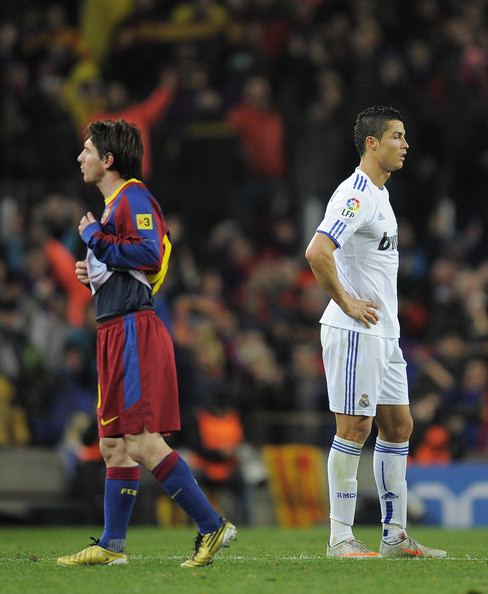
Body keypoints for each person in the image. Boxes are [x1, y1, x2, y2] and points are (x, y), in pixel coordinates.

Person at [56, 118, 236, 568]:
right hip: (113, 330)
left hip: (133, 330)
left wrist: (92, 237)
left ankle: (212, 526)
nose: (81, 158)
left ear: (108, 159)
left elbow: (150, 252)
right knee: (113, 443)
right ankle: (111, 546)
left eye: (88, 150)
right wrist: (94, 270)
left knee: (139, 438)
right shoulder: (117, 203)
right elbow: (130, 261)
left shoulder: (133, 196)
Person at [305, 105, 446, 559]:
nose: (405, 145)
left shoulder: (381, 196)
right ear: (372, 143)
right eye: (396, 137)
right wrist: (346, 302)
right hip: (355, 330)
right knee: (354, 427)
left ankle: (394, 536)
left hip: (384, 333)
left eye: (404, 137)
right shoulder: (356, 194)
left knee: (399, 425)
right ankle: (340, 538)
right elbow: (317, 250)